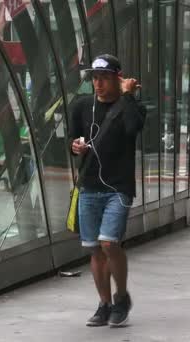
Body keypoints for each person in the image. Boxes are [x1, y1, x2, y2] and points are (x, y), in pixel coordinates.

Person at [70, 54, 144, 327]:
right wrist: (75, 147)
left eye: (104, 78)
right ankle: (104, 304)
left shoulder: (130, 106)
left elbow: (134, 127)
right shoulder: (81, 107)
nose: (98, 84)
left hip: (118, 187)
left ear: (118, 78)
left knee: (109, 242)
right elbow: (72, 138)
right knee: (94, 249)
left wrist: (127, 96)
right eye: (95, 78)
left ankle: (121, 296)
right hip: (89, 186)